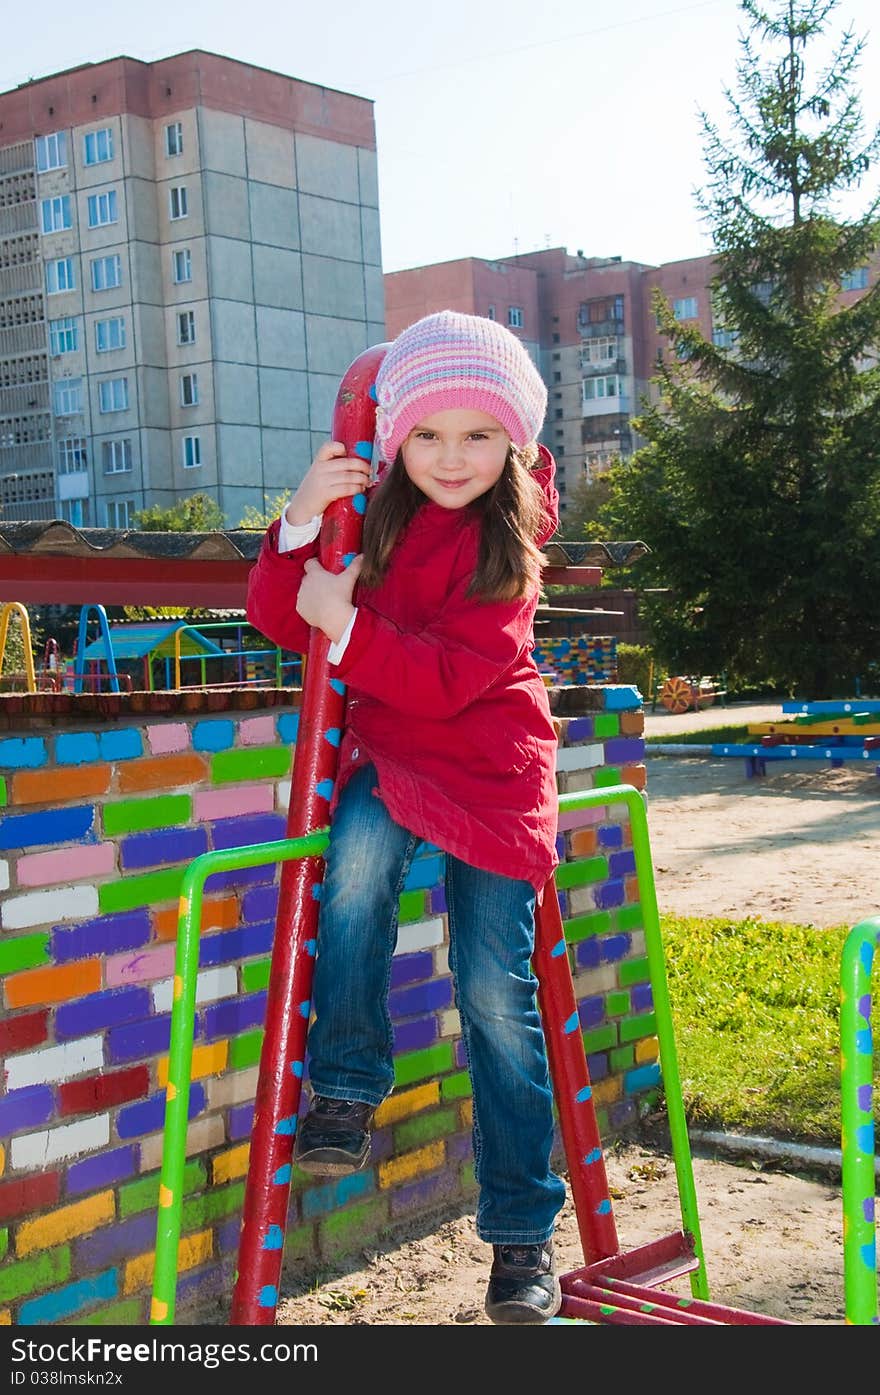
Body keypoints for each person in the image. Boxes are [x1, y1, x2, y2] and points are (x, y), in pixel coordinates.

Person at [247, 309, 567, 1324]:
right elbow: (278, 614)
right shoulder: (379, 516)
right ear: (396, 440)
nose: (451, 458)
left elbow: (446, 680)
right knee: (351, 872)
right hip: (396, 755)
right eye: (427, 435)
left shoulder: (509, 538)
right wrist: (301, 522)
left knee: (491, 992)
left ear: (511, 442)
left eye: (478, 435)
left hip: (490, 767)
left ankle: (521, 1236)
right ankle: (345, 1081)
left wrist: (346, 623)